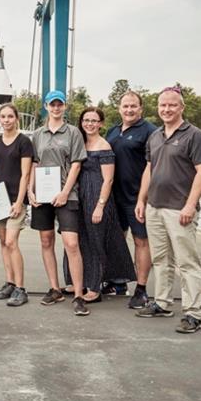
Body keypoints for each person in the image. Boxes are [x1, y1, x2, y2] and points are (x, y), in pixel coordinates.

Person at [136, 86, 201, 334]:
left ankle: (193, 313)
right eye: (163, 105)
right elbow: (149, 169)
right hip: (155, 207)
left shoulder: (194, 135)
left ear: (182, 108)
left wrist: (190, 204)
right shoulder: (155, 135)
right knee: (161, 260)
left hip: (179, 209)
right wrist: (141, 200)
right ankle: (162, 303)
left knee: (187, 262)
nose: (167, 109)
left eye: (172, 105)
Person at [28, 90, 89, 316]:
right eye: (52, 104)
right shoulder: (37, 134)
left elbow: (76, 164)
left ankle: (79, 294)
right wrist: (29, 190)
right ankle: (55, 288)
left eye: (59, 104)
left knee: (72, 244)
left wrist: (64, 192)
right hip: (42, 195)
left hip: (67, 194)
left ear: (64, 107)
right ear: (46, 106)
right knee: (46, 241)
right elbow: (33, 164)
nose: (55, 108)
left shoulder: (73, 132)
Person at [73, 107, 136, 302]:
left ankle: (95, 287)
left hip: (97, 197)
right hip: (80, 196)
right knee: (81, 240)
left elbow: (108, 180)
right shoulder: (80, 143)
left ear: (100, 123)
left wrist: (100, 205)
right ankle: (79, 282)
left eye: (94, 120)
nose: (89, 124)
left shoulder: (104, 146)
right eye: (86, 120)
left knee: (96, 242)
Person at [106, 91, 158, 309]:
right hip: (113, 197)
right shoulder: (112, 131)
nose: (129, 110)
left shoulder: (150, 132)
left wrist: (143, 198)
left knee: (141, 242)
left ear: (141, 108)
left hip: (137, 198)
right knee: (116, 240)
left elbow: (154, 166)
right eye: (125, 106)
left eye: (133, 106)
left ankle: (141, 289)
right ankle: (117, 282)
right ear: (119, 108)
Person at [0, 103, 33, 307]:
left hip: (15, 198)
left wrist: (20, 201)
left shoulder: (24, 142)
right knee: (3, 242)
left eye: (10, 117)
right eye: (3, 117)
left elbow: (26, 174)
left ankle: (21, 288)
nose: (6, 120)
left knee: (12, 242)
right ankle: (10, 282)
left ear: (16, 119)